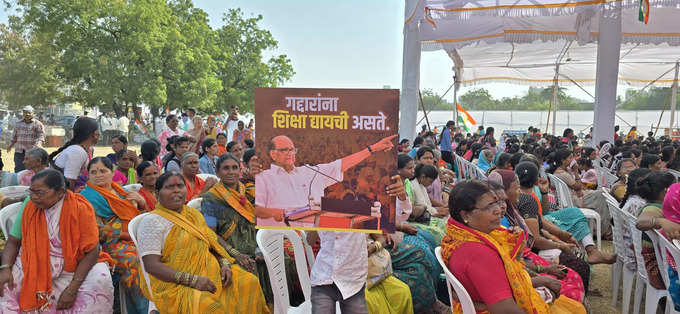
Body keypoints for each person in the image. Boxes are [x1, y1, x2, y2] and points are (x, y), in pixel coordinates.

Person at [441, 180, 586, 313]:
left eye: (497, 203)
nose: (499, 210)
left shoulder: (460, 235)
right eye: (489, 206)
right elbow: (505, 310)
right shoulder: (478, 252)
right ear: (466, 215)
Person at [136, 171, 270, 313]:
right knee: (210, 306)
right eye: (169, 187)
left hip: (210, 273)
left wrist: (224, 264)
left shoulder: (192, 214)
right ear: (157, 194)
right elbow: (151, 265)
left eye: (180, 186)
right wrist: (193, 280)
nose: (176, 190)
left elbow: (211, 244)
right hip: (175, 284)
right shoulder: (152, 222)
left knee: (249, 282)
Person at [0, 170, 114, 312]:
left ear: (60, 192)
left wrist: (72, 288)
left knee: (100, 279)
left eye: (40, 193)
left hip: (75, 265)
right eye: (31, 192)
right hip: (34, 261)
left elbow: (92, 251)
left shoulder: (80, 208)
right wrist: (5, 268)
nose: (34, 197)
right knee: (6, 283)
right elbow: (13, 241)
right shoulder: (30, 205)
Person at [256, 134, 396, 227]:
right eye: (285, 150)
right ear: (273, 154)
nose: (290, 153)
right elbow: (255, 209)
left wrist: (372, 149)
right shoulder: (263, 177)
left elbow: (341, 164)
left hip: (314, 237)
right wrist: (273, 213)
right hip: (281, 237)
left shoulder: (310, 171)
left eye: (292, 150)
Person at [488, 176, 585, 303]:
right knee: (574, 274)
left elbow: (541, 220)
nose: (500, 207)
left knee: (573, 275)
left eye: (502, 201)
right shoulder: (521, 206)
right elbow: (512, 268)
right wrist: (542, 274)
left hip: (526, 266)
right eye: (516, 188)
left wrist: (544, 192)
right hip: (523, 272)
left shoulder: (510, 211)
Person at [80, 157, 149, 313]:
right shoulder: (86, 198)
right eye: (93, 172)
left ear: (112, 173)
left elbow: (141, 217)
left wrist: (142, 203)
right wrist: (128, 236)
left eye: (103, 171)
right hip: (108, 245)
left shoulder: (120, 191)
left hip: (135, 237)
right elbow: (98, 230)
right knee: (134, 261)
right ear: (88, 175)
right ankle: (141, 310)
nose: (98, 175)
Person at [634, 171, 677, 290]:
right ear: (666, 191)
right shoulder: (654, 208)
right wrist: (660, 221)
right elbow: (641, 222)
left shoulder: (660, 206)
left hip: (661, 264)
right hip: (660, 270)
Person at [50, 117, 100, 191]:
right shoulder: (77, 151)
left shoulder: (86, 149)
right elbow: (69, 183)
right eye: (98, 131)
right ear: (95, 134)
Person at [8, 106, 45, 172]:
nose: (27, 114)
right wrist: (10, 145)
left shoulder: (38, 124)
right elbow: (14, 136)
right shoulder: (18, 124)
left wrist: (39, 143)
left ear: (33, 113)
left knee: (32, 169)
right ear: (23, 113)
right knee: (19, 169)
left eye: (29, 113)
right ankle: (19, 182)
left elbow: (41, 136)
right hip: (19, 151)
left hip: (32, 152)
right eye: (25, 112)